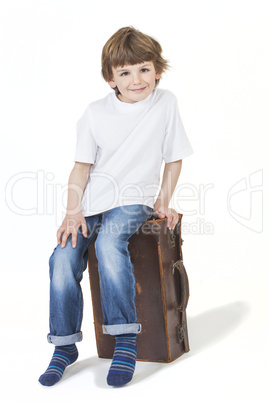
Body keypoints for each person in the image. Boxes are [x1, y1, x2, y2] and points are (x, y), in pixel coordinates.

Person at [38, 26, 193, 388]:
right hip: (93, 201)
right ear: (111, 79)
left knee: (109, 244)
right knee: (62, 257)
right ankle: (63, 346)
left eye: (143, 69)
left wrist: (162, 202)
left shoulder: (165, 102)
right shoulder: (94, 113)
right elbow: (81, 168)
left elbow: (174, 160)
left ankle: (125, 339)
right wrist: (72, 211)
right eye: (125, 72)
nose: (136, 79)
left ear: (157, 69)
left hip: (134, 199)